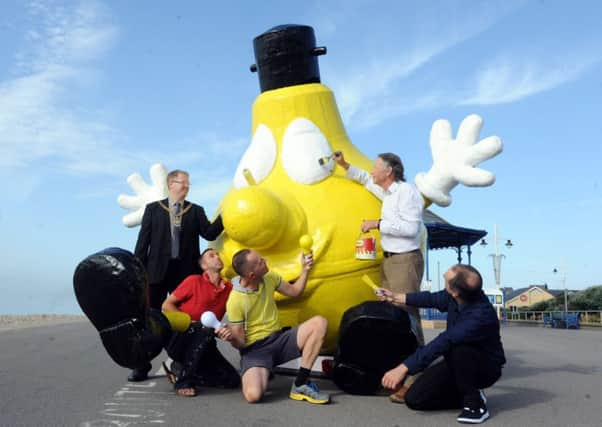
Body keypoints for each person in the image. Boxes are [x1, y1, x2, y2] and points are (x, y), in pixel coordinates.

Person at [334, 151, 425, 398]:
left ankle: (416, 379)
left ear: (389, 171)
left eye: (376, 167)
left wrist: (377, 224)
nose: (372, 170)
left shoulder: (407, 192)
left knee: (407, 316)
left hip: (405, 260)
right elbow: (364, 178)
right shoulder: (388, 193)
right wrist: (344, 165)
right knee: (391, 316)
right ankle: (394, 372)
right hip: (389, 261)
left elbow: (410, 228)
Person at [376, 264, 506, 424]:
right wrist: (394, 297)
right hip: (458, 363)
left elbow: (443, 341)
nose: (444, 274)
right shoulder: (457, 296)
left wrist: (402, 368)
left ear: (455, 292)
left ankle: (474, 405)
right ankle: (467, 393)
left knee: (459, 349)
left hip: (485, 367)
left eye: (446, 279)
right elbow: (430, 299)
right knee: (414, 400)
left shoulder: (479, 316)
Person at [130, 169, 224, 382]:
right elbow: (142, 244)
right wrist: (138, 272)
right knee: (148, 319)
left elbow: (209, 233)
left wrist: (226, 214)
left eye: (188, 183)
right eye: (183, 182)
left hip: (185, 275)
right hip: (155, 273)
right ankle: (141, 365)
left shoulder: (196, 210)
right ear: (171, 184)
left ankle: (183, 360)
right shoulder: (153, 209)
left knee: (188, 318)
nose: (187, 186)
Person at [225, 249, 330, 404]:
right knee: (253, 396)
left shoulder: (270, 277)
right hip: (255, 351)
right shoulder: (235, 301)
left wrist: (305, 270)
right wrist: (230, 338)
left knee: (319, 323)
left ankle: (300, 384)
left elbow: (295, 292)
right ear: (252, 275)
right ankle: (258, 370)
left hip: (279, 340)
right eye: (260, 262)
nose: (265, 260)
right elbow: (239, 343)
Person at [161, 248, 240, 396]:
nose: (217, 256)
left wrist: (223, 331)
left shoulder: (229, 289)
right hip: (181, 338)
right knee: (202, 329)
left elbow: (222, 321)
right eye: (211, 256)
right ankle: (183, 382)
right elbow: (166, 305)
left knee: (232, 380)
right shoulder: (193, 281)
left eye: (218, 254)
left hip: (206, 340)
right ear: (204, 266)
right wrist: (191, 323)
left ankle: (179, 369)